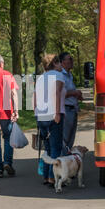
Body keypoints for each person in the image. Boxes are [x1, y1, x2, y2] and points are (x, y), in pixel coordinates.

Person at [34, 54, 65, 186]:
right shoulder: (58, 76)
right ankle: (54, 177)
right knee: (56, 147)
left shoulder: (40, 78)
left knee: (46, 147)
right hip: (54, 114)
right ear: (56, 63)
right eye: (60, 63)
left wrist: (36, 112)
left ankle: (46, 176)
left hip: (41, 115)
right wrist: (57, 112)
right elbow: (57, 92)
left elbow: (35, 96)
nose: (61, 66)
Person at [59, 52, 83, 155]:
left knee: (70, 138)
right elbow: (60, 93)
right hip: (66, 109)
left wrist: (77, 95)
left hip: (72, 109)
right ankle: (62, 162)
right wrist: (74, 93)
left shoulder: (69, 75)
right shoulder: (61, 75)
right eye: (70, 59)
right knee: (65, 138)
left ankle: (67, 163)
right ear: (62, 62)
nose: (72, 61)